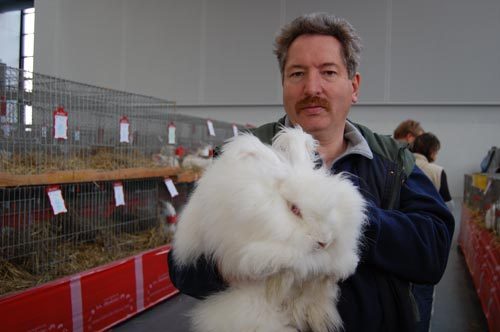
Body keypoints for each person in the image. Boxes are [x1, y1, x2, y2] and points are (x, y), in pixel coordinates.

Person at [168, 13, 455, 332]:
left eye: (328, 72)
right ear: (283, 84)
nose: (311, 87)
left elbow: (434, 249)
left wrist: (350, 221)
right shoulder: (244, 157)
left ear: (353, 85)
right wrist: (234, 264)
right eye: (297, 74)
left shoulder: (391, 160)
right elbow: (184, 267)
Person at [410, 132, 454, 332]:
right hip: (425, 242)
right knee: (423, 295)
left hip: (401, 240)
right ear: (432, 151)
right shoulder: (437, 171)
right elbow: (447, 209)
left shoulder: (399, 164)